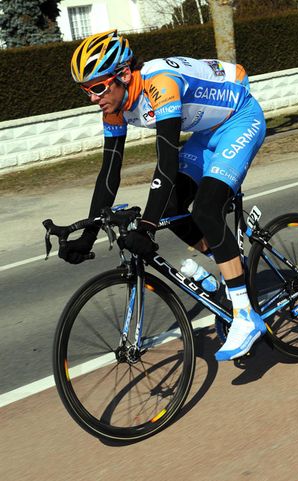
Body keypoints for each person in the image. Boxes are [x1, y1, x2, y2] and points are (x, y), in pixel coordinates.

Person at [59, 29, 267, 361]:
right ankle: (231, 267)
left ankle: (246, 315)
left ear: (124, 75)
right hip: (206, 132)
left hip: (240, 119)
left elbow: (166, 165)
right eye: (86, 90)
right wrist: (88, 235)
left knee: (206, 209)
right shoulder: (114, 107)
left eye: (98, 87)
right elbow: (109, 173)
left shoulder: (161, 84)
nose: (93, 98)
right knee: (171, 209)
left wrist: (145, 227)